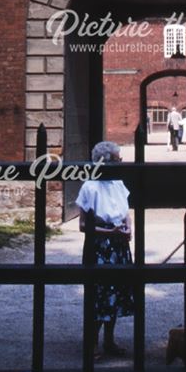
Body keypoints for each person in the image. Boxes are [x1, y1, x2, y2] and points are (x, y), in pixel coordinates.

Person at [75, 141, 134, 359]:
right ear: (107, 162)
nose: (121, 162)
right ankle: (92, 344)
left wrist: (129, 227)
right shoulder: (90, 187)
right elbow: (83, 225)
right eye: (118, 159)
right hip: (101, 246)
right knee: (100, 295)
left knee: (116, 294)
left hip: (119, 244)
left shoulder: (118, 183)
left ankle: (109, 341)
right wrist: (110, 233)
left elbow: (126, 211)